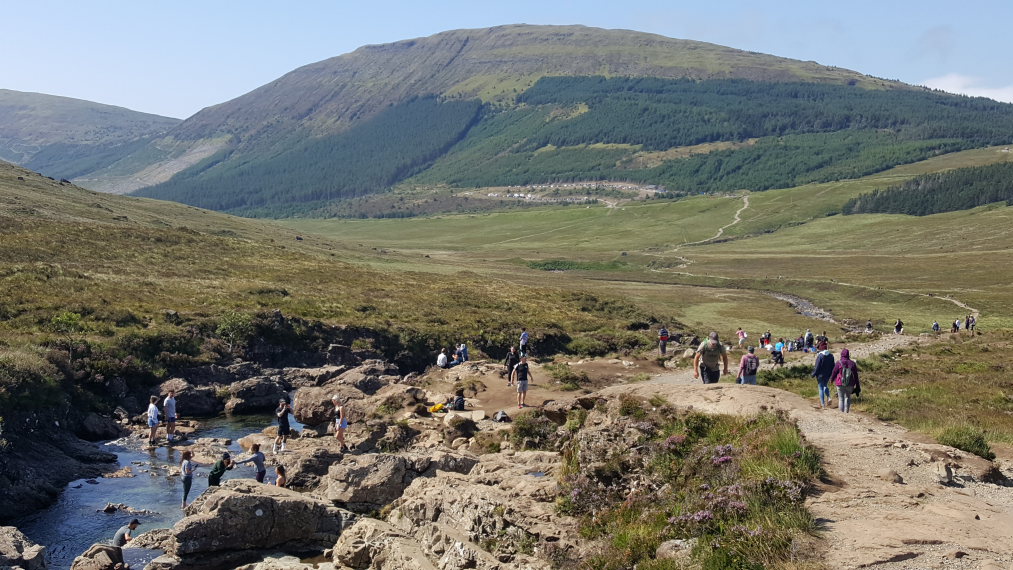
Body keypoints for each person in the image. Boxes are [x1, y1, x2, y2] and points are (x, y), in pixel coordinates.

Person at [831, 348, 860, 413]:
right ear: (848, 355)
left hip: (840, 383)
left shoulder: (838, 363)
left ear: (841, 354)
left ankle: (841, 413)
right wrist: (857, 386)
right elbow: (856, 376)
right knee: (848, 398)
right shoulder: (853, 363)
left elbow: (834, 372)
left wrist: (832, 380)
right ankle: (846, 412)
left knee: (841, 399)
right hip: (850, 384)